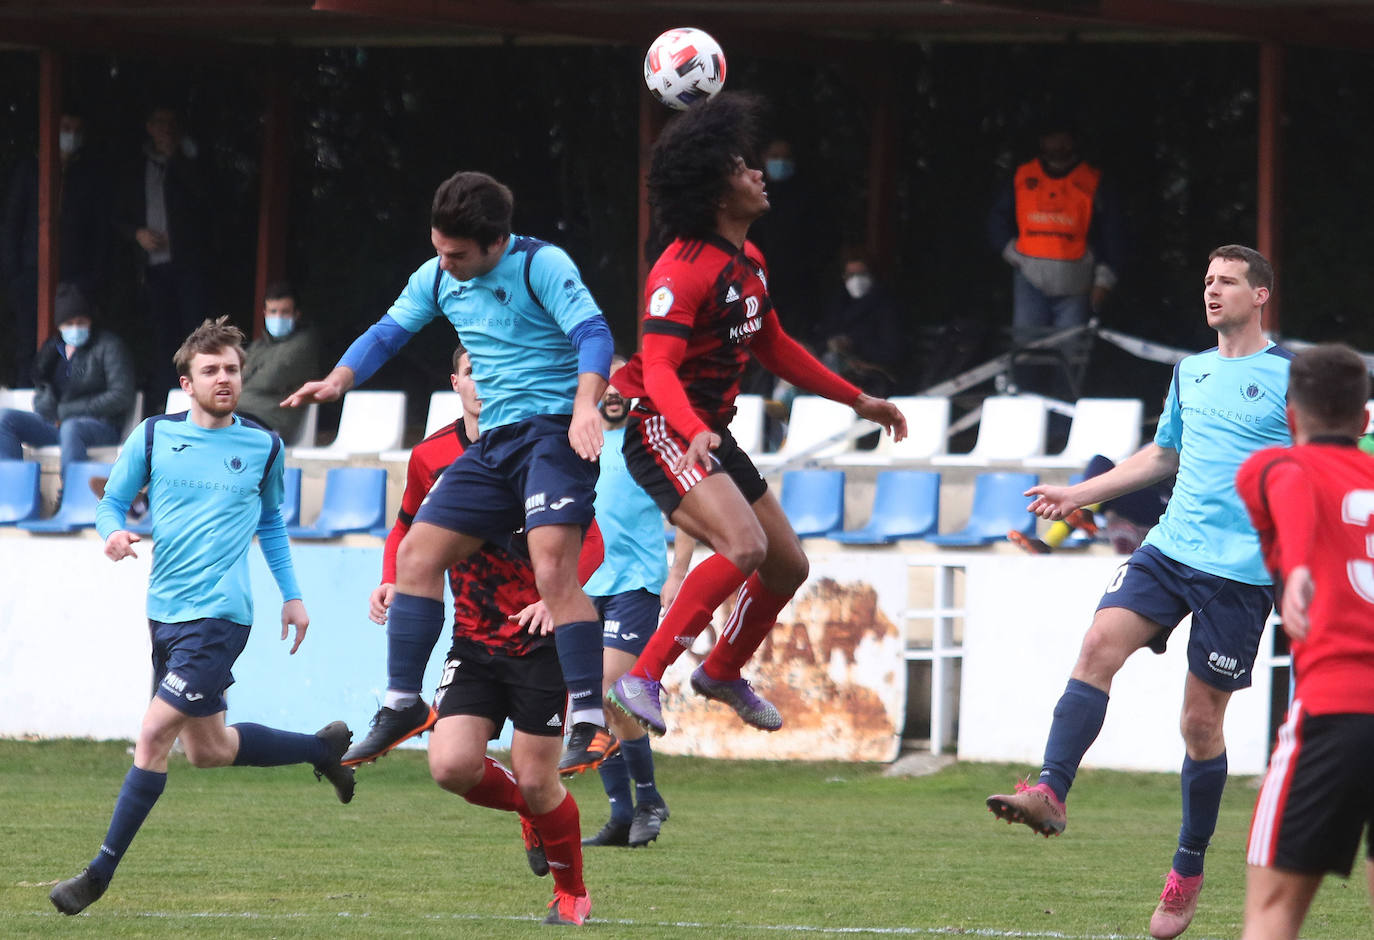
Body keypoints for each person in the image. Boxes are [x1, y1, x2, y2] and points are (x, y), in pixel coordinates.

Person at [984, 244, 1291, 940]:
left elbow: (1329, 457)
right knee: (1098, 644)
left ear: (1260, 295)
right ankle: (1050, 790)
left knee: (1199, 725)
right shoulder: (1191, 372)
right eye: (1207, 280)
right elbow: (1161, 454)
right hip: (1170, 548)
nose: (1213, 291)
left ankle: (1187, 871)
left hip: (1242, 574)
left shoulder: (1289, 376)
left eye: (1228, 281)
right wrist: (1079, 494)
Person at [283, 170, 618, 777]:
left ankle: (591, 721)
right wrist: (338, 379)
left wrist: (585, 405)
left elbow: (593, 332)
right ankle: (403, 703)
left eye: (457, 254)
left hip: (551, 435)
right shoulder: (438, 276)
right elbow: (389, 332)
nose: (445, 264)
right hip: (496, 444)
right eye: (439, 250)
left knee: (551, 572)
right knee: (416, 555)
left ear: (496, 242)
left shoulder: (540, 265)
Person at [605, 93, 907, 740]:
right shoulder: (679, 271)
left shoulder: (749, 263)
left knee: (788, 565)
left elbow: (775, 346)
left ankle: (720, 671)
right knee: (744, 546)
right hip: (662, 428)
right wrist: (692, 429)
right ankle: (644, 677)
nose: (759, 174)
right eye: (744, 169)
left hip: (708, 434)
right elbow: (658, 371)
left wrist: (856, 399)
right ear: (719, 193)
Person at [48, 317, 354, 917]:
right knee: (209, 749)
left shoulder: (264, 445)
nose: (224, 379)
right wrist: (112, 534)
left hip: (220, 617)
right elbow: (111, 502)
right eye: (210, 370)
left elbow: (271, 522)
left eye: (232, 369)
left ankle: (97, 875)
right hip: (165, 614)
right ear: (186, 383)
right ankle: (321, 751)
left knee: (152, 736)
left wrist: (292, 595)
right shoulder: (155, 436)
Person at [349, 343, 592, 925]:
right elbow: (405, 528)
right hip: (474, 638)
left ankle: (572, 892)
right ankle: (530, 813)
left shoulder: (545, 446)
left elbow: (592, 537)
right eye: (470, 372)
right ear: (454, 383)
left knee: (539, 779)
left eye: (491, 370)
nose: (482, 382)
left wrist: (555, 595)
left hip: (537, 643)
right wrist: (391, 577)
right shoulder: (432, 455)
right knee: (451, 767)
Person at [1235, 344, 1374, 940]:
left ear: (1291, 416)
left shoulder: (1270, 464)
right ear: (1364, 419)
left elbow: (1291, 481)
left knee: (1273, 915)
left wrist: (1295, 567)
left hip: (1336, 711)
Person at [582, 359, 691, 849]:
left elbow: (686, 509)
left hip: (636, 583)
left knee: (611, 690)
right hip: (584, 585)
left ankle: (647, 799)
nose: (613, 392)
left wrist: (678, 572)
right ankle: (622, 814)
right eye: (605, 383)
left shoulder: (648, 443)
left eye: (623, 383)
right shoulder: (580, 441)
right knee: (591, 696)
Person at [987, 117, 1125, 399]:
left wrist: (1103, 281)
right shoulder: (1023, 176)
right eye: (1050, 137)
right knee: (1026, 355)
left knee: (1069, 359)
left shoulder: (1092, 180)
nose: (1056, 144)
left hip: (1076, 283)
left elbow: (1113, 234)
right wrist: (1013, 253)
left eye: (1062, 137)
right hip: (1029, 281)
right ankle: (1026, 413)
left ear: (1072, 141)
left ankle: (1063, 420)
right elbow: (996, 222)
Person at [2, 107, 110, 386]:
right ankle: (28, 398)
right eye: (65, 129)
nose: (70, 136)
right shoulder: (29, 169)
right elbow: (12, 224)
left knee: (73, 347)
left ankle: (69, 403)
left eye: (76, 130)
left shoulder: (89, 175)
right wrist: (14, 275)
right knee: (29, 344)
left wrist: (93, 278)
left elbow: (99, 231)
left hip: (75, 277)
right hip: (31, 275)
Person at [114, 104, 210, 396]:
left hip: (188, 263)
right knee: (161, 335)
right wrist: (137, 234)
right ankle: (165, 399)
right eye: (159, 122)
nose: (165, 128)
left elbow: (206, 202)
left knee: (196, 333)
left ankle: (199, 395)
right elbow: (117, 214)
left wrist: (176, 159)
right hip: (152, 266)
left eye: (170, 122)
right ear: (149, 127)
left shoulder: (192, 160)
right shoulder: (135, 166)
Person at [0, 282, 136, 478]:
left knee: (71, 427)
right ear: (60, 326)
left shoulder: (109, 346)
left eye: (81, 322)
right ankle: (12, 486)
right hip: (56, 425)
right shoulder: (52, 350)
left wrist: (67, 411)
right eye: (69, 324)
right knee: (5, 419)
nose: (75, 328)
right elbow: (41, 386)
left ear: (90, 321)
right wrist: (45, 404)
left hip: (101, 425)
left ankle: (70, 491)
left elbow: (121, 395)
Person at [1009, 453, 1169, 555]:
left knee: (1105, 475)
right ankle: (1082, 513)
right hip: (1146, 501)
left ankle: (1078, 516)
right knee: (1101, 463)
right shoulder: (1171, 432)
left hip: (1166, 509)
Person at [811, 248, 907, 398]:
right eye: (851, 275)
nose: (856, 280)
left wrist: (854, 344)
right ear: (844, 277)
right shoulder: (838, 305)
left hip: (870, 376)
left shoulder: (886, 307)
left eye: (861, 274)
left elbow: (893, 352)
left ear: (872, 275)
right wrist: (830, 344)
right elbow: (821, 339)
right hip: (836, 370)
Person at [236, 281, 320, 439]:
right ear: (265, 313)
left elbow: (268, 379)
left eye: (285, 312)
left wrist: (241, 380)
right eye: (273, 311)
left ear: (296, 315)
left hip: (273, 421)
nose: (278, 317)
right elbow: (235, 376)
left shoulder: (303, 344)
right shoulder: (259, 345)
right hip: (242, 414)